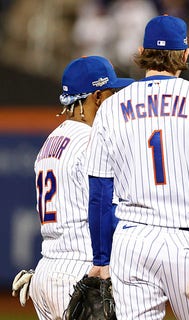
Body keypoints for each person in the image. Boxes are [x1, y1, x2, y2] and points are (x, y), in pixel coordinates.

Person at [85, 15, 189, 319]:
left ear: (142, 50)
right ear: (184, 54)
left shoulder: (113, 105)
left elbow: (99, 191)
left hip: (133, 240)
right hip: (188, 238)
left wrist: (101, 258)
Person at [10, 56, 133, 319]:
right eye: (113, 92)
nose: (116, 99)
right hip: (84, 271)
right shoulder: (94, 141)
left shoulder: (49, 142)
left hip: (46, 270)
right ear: (98, 96)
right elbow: (110, 212)